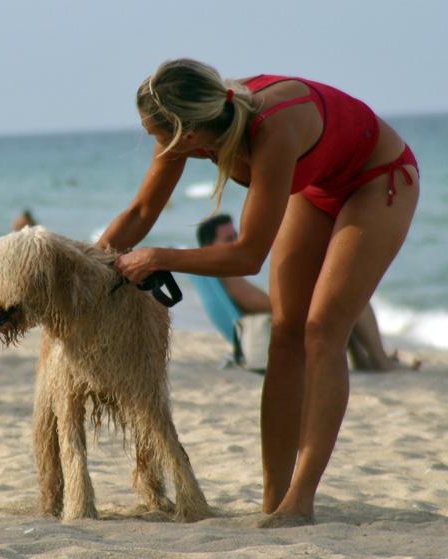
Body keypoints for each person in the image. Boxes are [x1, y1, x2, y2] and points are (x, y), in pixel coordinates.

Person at [98, 59, 420, 526]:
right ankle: (275, 500)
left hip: (378, 178)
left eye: (157, 134)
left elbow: (248, 255)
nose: (155, 144)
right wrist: (90, 267)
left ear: (188, 134)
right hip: (317, 185)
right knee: (284, 335)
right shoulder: (189, 125)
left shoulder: (273, 128)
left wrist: (160, 257)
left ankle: (300, 502)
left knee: (321, 332)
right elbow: (142, 208)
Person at [197, 214, 419, 371]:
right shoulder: (227, 273)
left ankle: (366, 359)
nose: (236, 242)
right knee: (352, 300)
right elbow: (263, 304)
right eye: (229, 239)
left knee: (342, 296)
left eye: (236, 235)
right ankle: (380, 361)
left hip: (268, 327)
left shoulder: (218, 272)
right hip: (274, 330)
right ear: (208, 246)